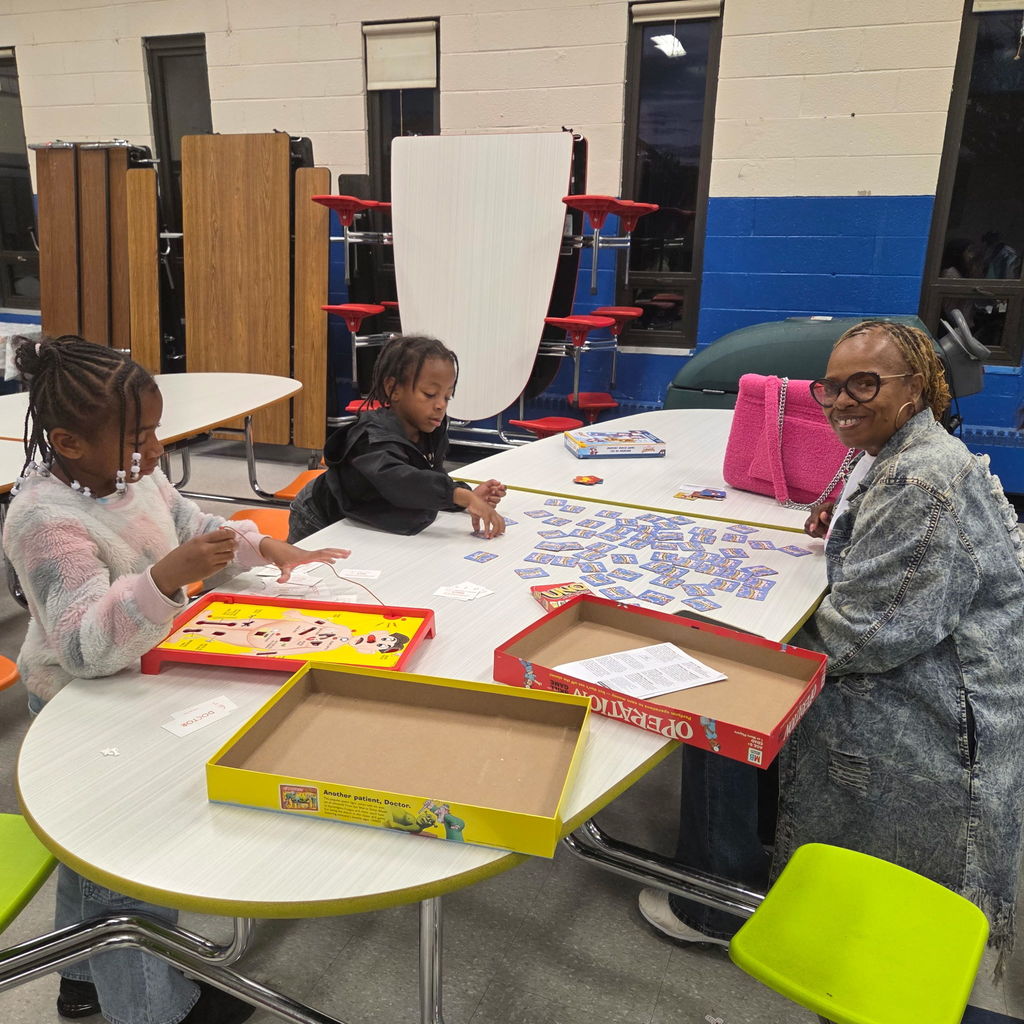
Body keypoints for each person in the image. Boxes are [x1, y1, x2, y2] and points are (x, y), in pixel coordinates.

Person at [640, 320, 1024, 961]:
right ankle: (759, 835)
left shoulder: (917, 481)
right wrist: (845, 513)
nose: (843, 401)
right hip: (951, 673)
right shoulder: (909, 452)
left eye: (864, 384)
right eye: (833, 387)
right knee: (740, 656)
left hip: (939, 711)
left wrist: (744, 641)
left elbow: (863, 638)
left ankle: (713, 903)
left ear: (917, 388)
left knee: (722, 687)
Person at [4, 336, 349, 1024]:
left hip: (140, 683)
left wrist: (264, 543)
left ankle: (81, 979)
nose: (157, 449)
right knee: (126, 869)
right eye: (139, 435)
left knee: (88, 854)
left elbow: (192, 523)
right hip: (82, 706)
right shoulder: (43, 519)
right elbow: (81, 647)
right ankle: (151, 1011)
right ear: (69, 443)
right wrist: (163, 578)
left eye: (156, 429)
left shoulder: (133, 478)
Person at [288, 335, 506, 541]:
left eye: (447, 396)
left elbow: (428, 476)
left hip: (365, 518)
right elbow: (401, 481)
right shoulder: (371, 438)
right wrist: (460, 496)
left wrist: (466, 496)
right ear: (393, 389)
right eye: (430, 394)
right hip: (318, 516)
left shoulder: (430, 429)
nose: (441, 405)